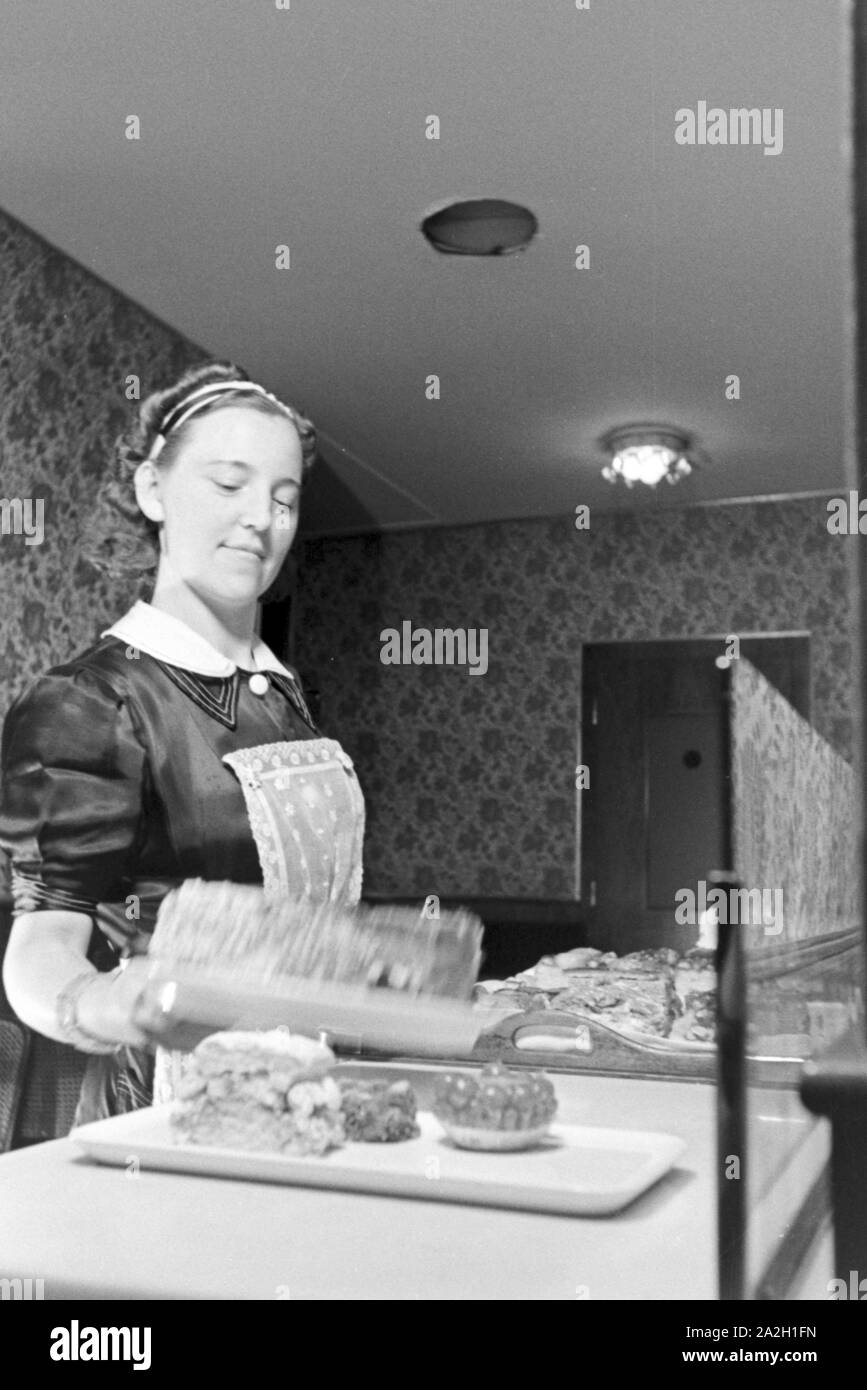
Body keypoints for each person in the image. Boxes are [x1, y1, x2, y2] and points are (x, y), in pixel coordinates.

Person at [0, 362, 365, 1122]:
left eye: (284, 498)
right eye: (228, 485)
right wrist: (97, 999)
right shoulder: (93, 701)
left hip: (295, 1081)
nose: (261, 518)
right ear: (151, 491)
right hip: (159, 1101)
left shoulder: (284, 693)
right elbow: (40, 943)